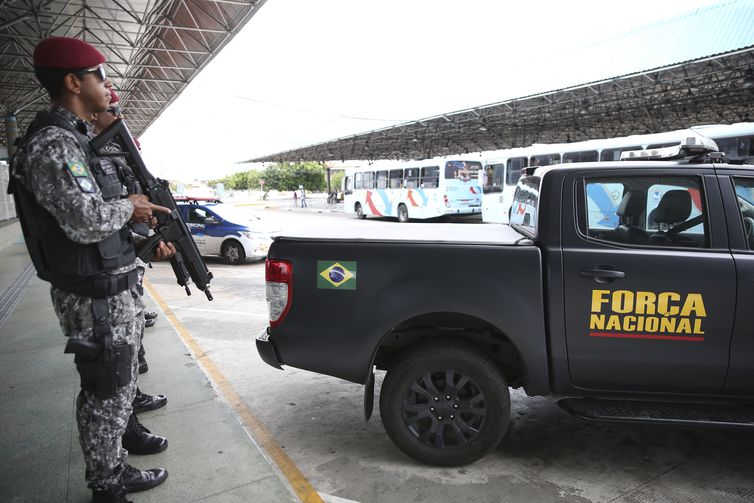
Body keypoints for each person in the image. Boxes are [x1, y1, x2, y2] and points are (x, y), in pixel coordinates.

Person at [9, 36, 171, 502]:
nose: (108, 85)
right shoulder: (55, 144)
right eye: (100, 75)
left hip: (104, 286)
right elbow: (84, 221)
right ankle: (107, 484)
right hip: (92, 295)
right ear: (73, 82)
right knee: (105, 388)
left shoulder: (73, 139)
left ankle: (114, 464)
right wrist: (131, 206)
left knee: (115, 384)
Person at [91, 90, 167, 415]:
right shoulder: (72, 149)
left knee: (124, 360)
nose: (118, 117)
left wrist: (140, 241)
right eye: (112, 110)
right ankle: (112, 459)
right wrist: (129, 209)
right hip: (97, 278)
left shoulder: (105, 157)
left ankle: (130, 409)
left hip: (118, 266)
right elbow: (86, 220)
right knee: (110, 369)